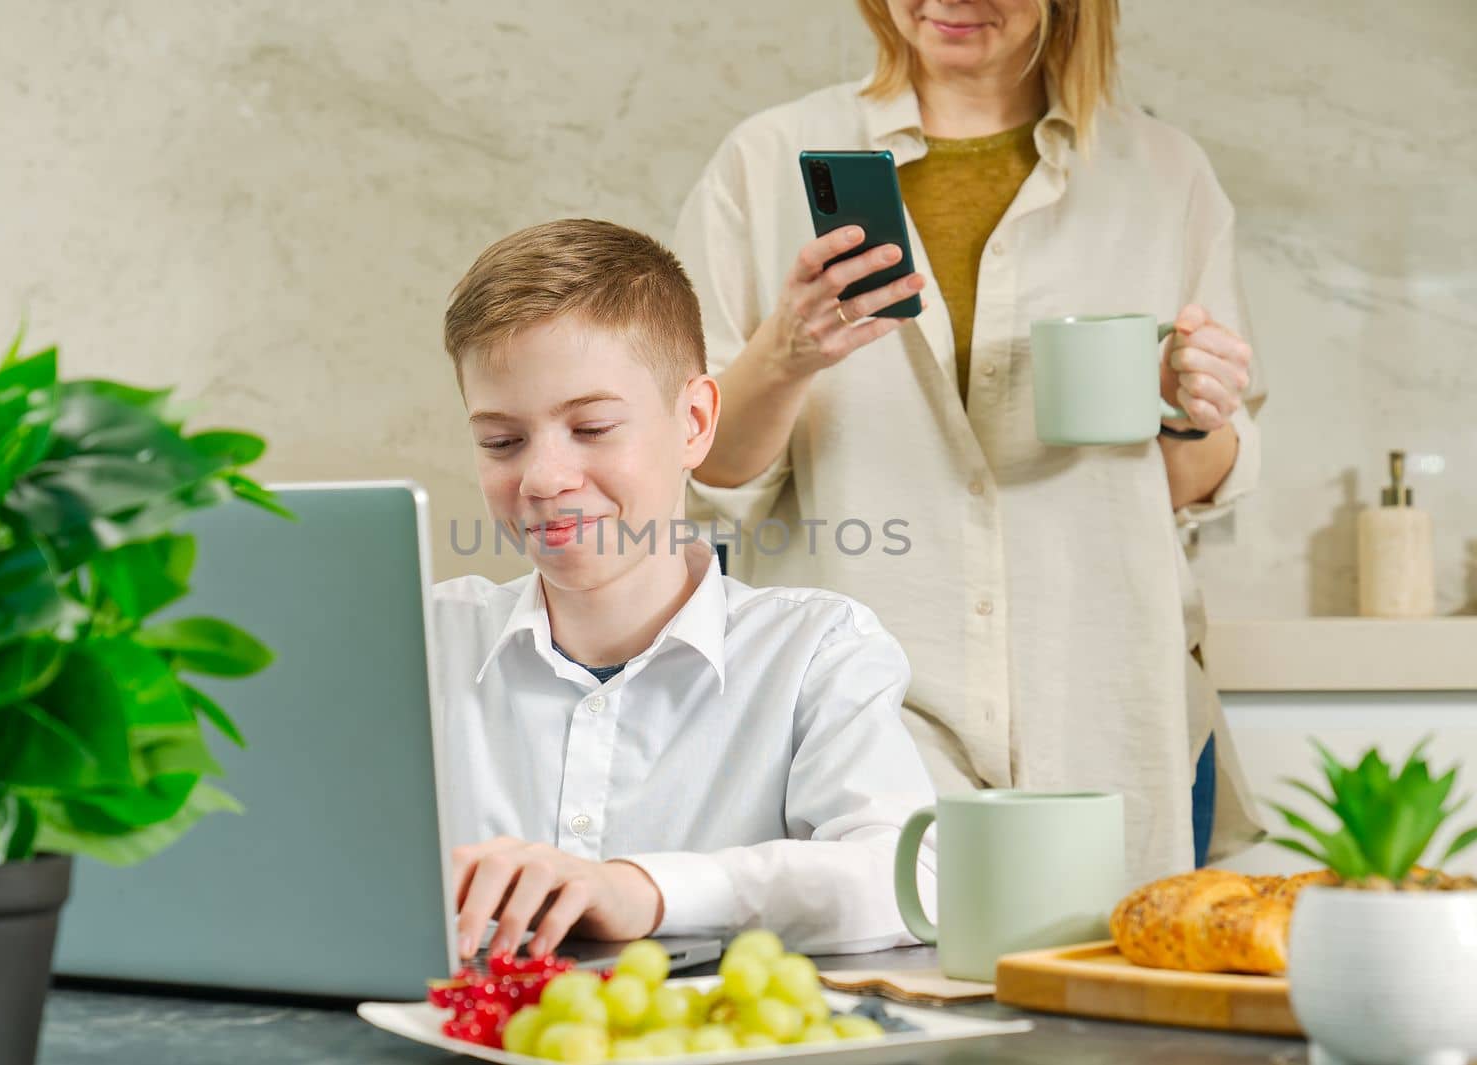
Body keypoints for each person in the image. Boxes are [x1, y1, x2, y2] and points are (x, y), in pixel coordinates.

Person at [674, 0, 1267, 883]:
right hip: (868, 712)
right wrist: (785, 353)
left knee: (1109, 1008)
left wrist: (1189, 407)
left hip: (1106, 699)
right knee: (882, 1003)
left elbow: (1187, 483)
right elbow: (707, 465)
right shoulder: (766, 163)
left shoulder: (1162, 174)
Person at [432, 218, 936, 960]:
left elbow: (911, 877)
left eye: (594, 426)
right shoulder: (422, 640)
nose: (542, 479)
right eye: (501, 441)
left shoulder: (815, 651)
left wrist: (642, 889)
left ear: (695, 422)